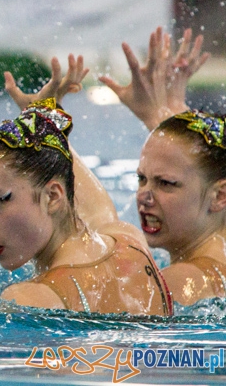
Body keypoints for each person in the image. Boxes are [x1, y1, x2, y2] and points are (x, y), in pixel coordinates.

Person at [0, 57, 172, 315]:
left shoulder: (30, 298)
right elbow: (97, 210)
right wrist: (43, 118)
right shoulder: (130, 242)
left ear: (52, 196)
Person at [96, 28, 226, 306]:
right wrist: (164, 112)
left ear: (219, 196)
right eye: (141, 179)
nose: (143, 195)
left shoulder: (181, 282)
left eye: (165, 183)